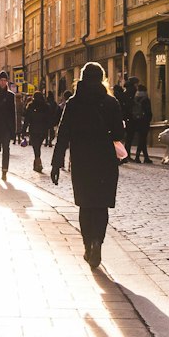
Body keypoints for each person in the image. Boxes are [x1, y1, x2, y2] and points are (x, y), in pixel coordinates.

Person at [50, 61, 125, 270]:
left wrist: (56, 164)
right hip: (105, 161)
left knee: (86, 205)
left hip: (82, 161)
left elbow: (63, 134)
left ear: (81, 78)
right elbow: (119, 134)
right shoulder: (111, 103)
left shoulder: (73, 103)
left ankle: (87, 243)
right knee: (101, 205)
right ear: (102, 78)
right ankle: (97, 242)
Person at [23, 88, 56, 174]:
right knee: (38, 146)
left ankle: (38, 162)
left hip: (33, 129)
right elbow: (49, 119)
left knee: (36, 146)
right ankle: (37, 163)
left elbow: (27, 119)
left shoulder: (31, 105)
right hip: (43, 130)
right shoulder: (46, 106)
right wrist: (50, 129)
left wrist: (24, 130)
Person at [129, 83, 152, 163]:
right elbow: (148, 112)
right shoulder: (145, 99)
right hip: (144, 122)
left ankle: (145, 157)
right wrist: (149, 119)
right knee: (142, 140)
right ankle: (138, 157)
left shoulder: (135, 98)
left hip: (137, 121)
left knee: (142, 139)